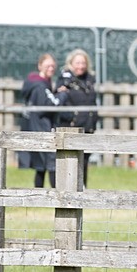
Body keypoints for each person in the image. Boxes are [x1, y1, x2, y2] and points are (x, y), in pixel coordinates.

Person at [18, 53, 68, 188]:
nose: (51, 68)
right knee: (50, 164)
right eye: (48, 65)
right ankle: (55, 196)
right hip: (42, 128)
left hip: (36, 127)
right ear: (40, 66)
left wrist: (55, 92)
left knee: (41, 166)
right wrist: (62, 94)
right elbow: (52, 104)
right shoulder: (40, 86)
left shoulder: (37, 84)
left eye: (53, 66)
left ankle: (42, 196)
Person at [57, 48, 98, 182]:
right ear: (71, 63)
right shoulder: (65, 79)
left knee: (84, 160)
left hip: (88, 126)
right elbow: (59, 101)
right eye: (78, 63)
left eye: (83, 63)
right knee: (69, 161)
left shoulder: (90, 80)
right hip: (71, 127)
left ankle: (82, 189)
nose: (81, 66)